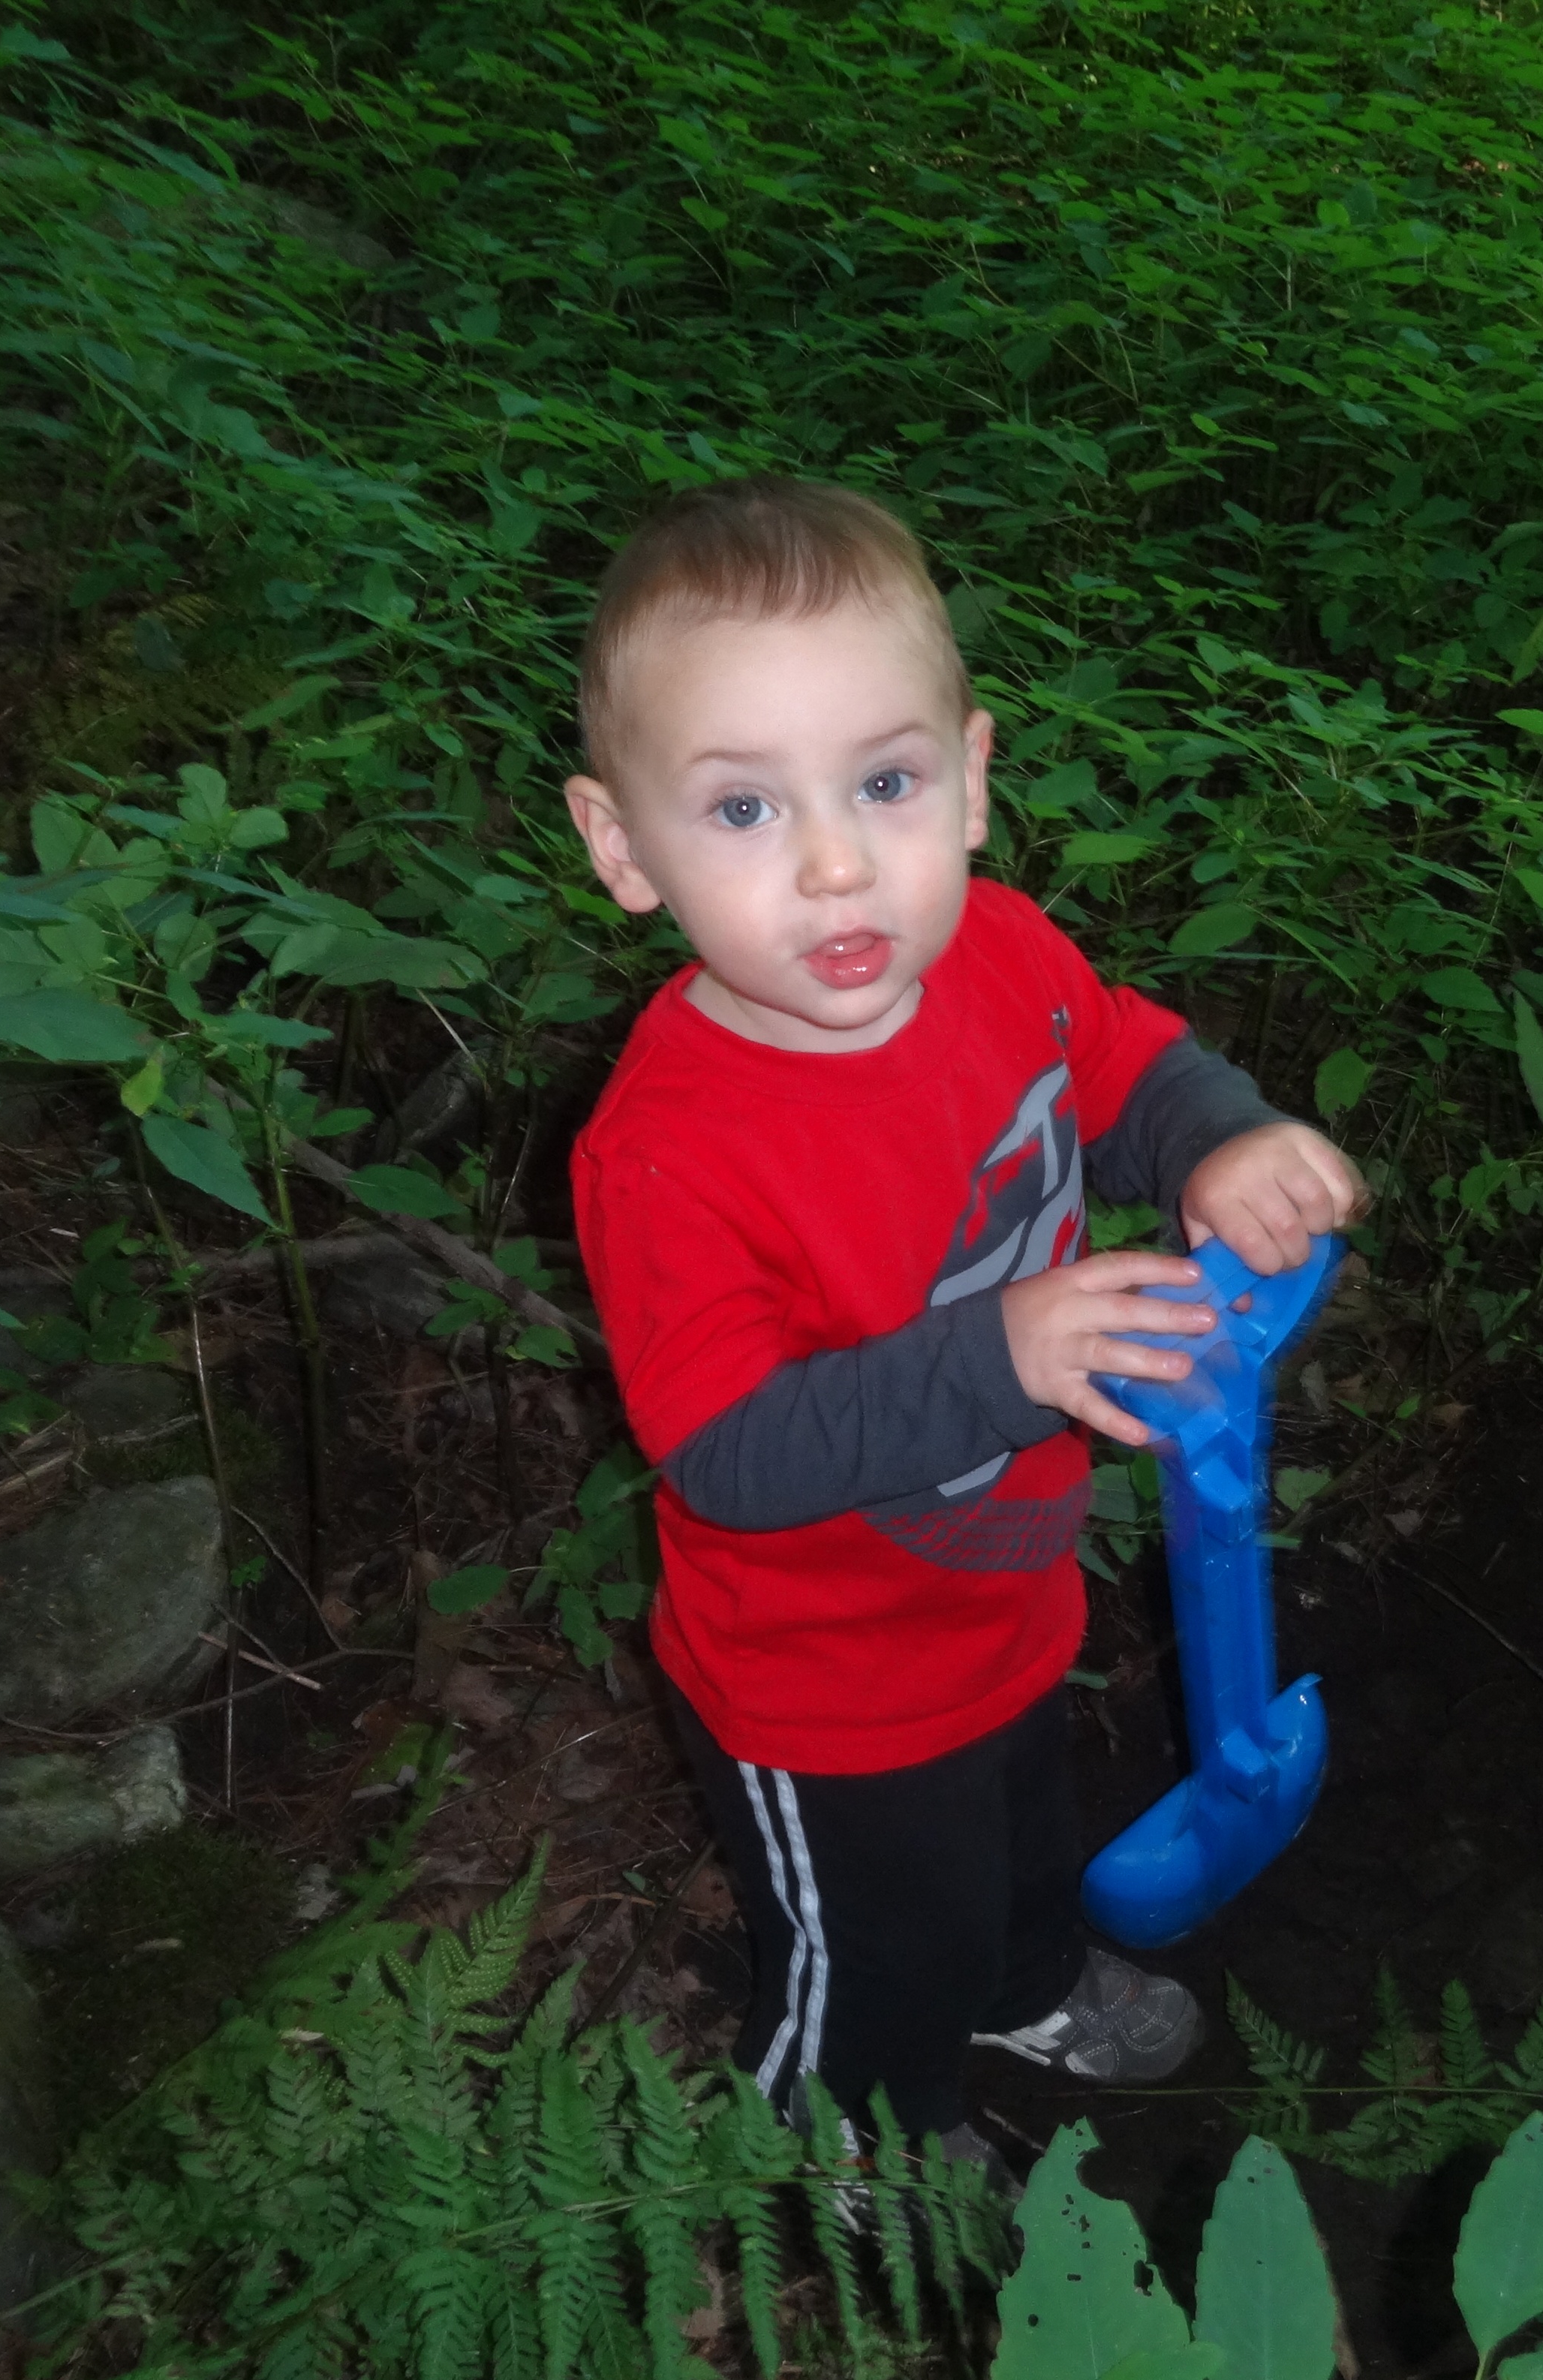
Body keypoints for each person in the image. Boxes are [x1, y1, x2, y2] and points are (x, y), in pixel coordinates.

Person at [564, 477, 1365, 2181]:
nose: (836, 860)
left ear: (974, 774)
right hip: (823, 1680)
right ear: (621, 847)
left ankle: (1022, 1983)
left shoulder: (999, 952)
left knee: (1015, 1829)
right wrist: (1002, 1355)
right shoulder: (670, 1147)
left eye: (885, 781)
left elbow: (1122, 1061)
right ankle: (854, 2140)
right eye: (740, 807)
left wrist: (1216, 1138)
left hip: (999, 1590)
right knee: (880, 1940)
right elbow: (725, 1451)